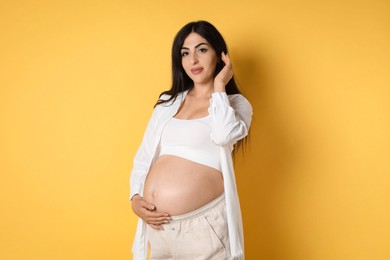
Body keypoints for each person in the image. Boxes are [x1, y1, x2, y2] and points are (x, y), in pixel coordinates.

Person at [129, 20, 253, 260]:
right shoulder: (168, 102)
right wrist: (135, 198)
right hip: (159, 229)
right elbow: (144, 156)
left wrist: (219, 87)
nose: (193, 60)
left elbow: (223, 135)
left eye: (202, 49)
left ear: (220, 55)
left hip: (204, 230)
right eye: (185, 53)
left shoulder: (235, 105)